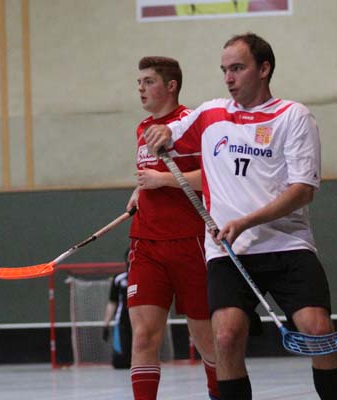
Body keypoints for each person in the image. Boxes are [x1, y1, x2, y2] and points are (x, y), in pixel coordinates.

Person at [144, 32, 337, 400]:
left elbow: (303, 190)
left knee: (318, 330)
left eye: (237, 68)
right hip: (228, 251)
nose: (228, 78)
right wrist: (160, 132)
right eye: (224, 70)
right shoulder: (211, 113)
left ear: (264, 69)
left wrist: (246, 222)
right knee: (226, 336)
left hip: (287, 244)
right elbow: (169, 130)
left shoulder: (293, 116)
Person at [126, 56, 219, 400]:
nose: (141, 88)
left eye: (148, 81)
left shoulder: (192, 124)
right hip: (147, 243)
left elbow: (214, 178)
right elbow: (150, 176)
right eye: (139, 82)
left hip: (191, 243)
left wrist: (162, 180)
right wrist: (139, 191)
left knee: (206, 339)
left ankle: (219, 390)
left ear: (171, 86)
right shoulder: (142, 128)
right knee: (143, 337)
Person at [102, 249, 132, 369]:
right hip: (123, 322)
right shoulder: (119, 279)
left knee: (140, 357)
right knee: (120, 362)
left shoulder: (146, 278)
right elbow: (112, 302)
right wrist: (106, 324)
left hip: (141, 321)